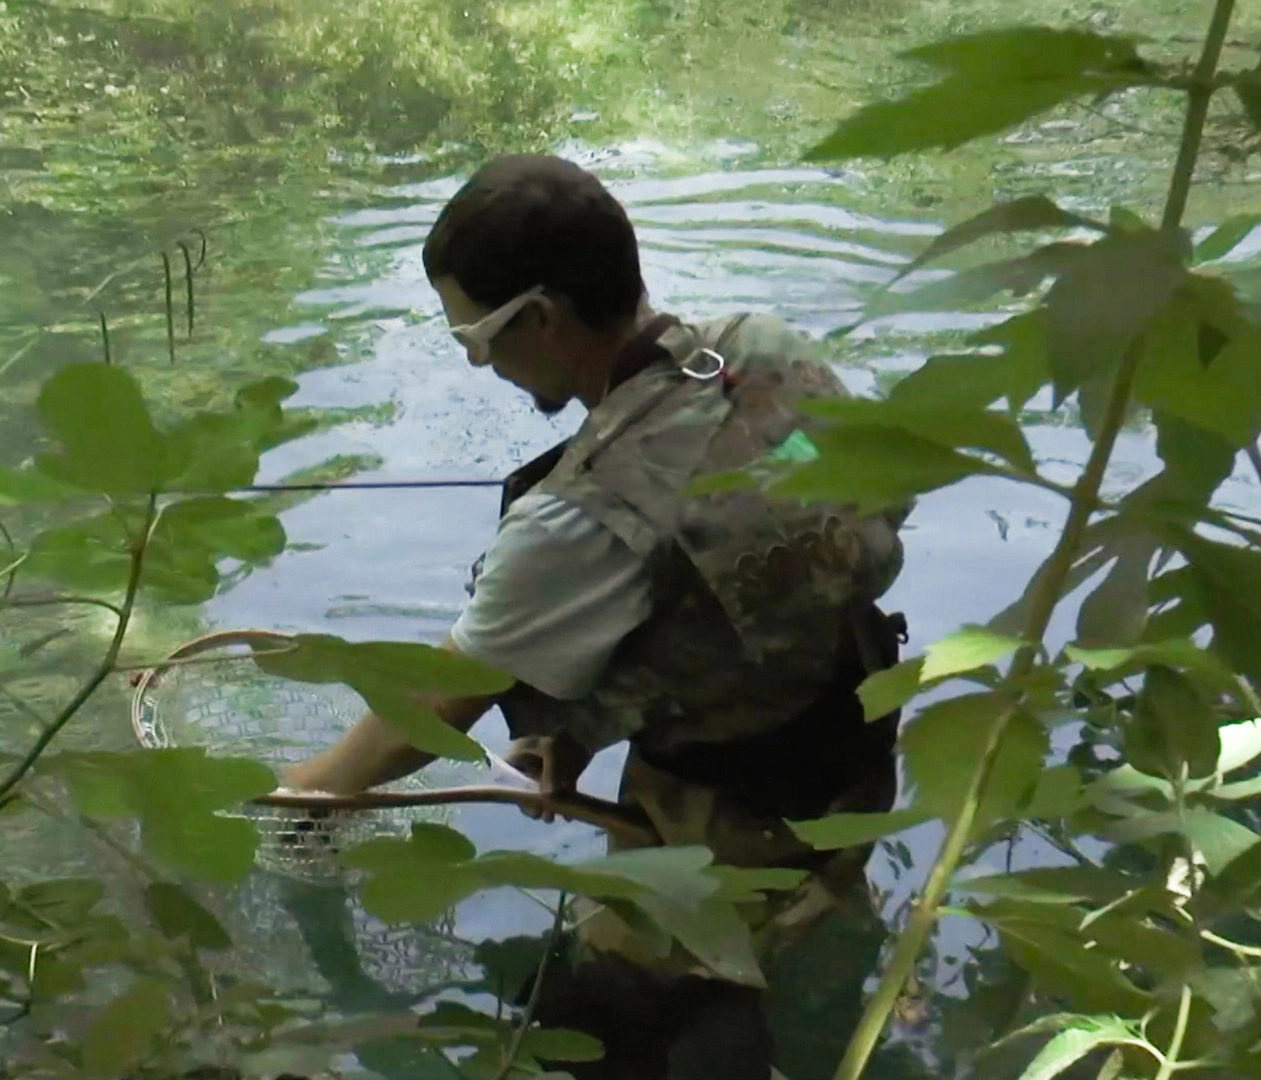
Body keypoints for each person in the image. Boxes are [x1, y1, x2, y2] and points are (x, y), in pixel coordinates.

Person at [281, 154, 913, 1080]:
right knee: (800, 989)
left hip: (716, 827)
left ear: (540, 317)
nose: (476, 360)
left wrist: (305, 800)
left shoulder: (578, 521)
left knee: (590, 1032)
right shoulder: (763, 349)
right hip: (851, 769)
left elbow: (436, 703)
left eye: (475, 336)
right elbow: (826, 539)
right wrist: (578, 728)